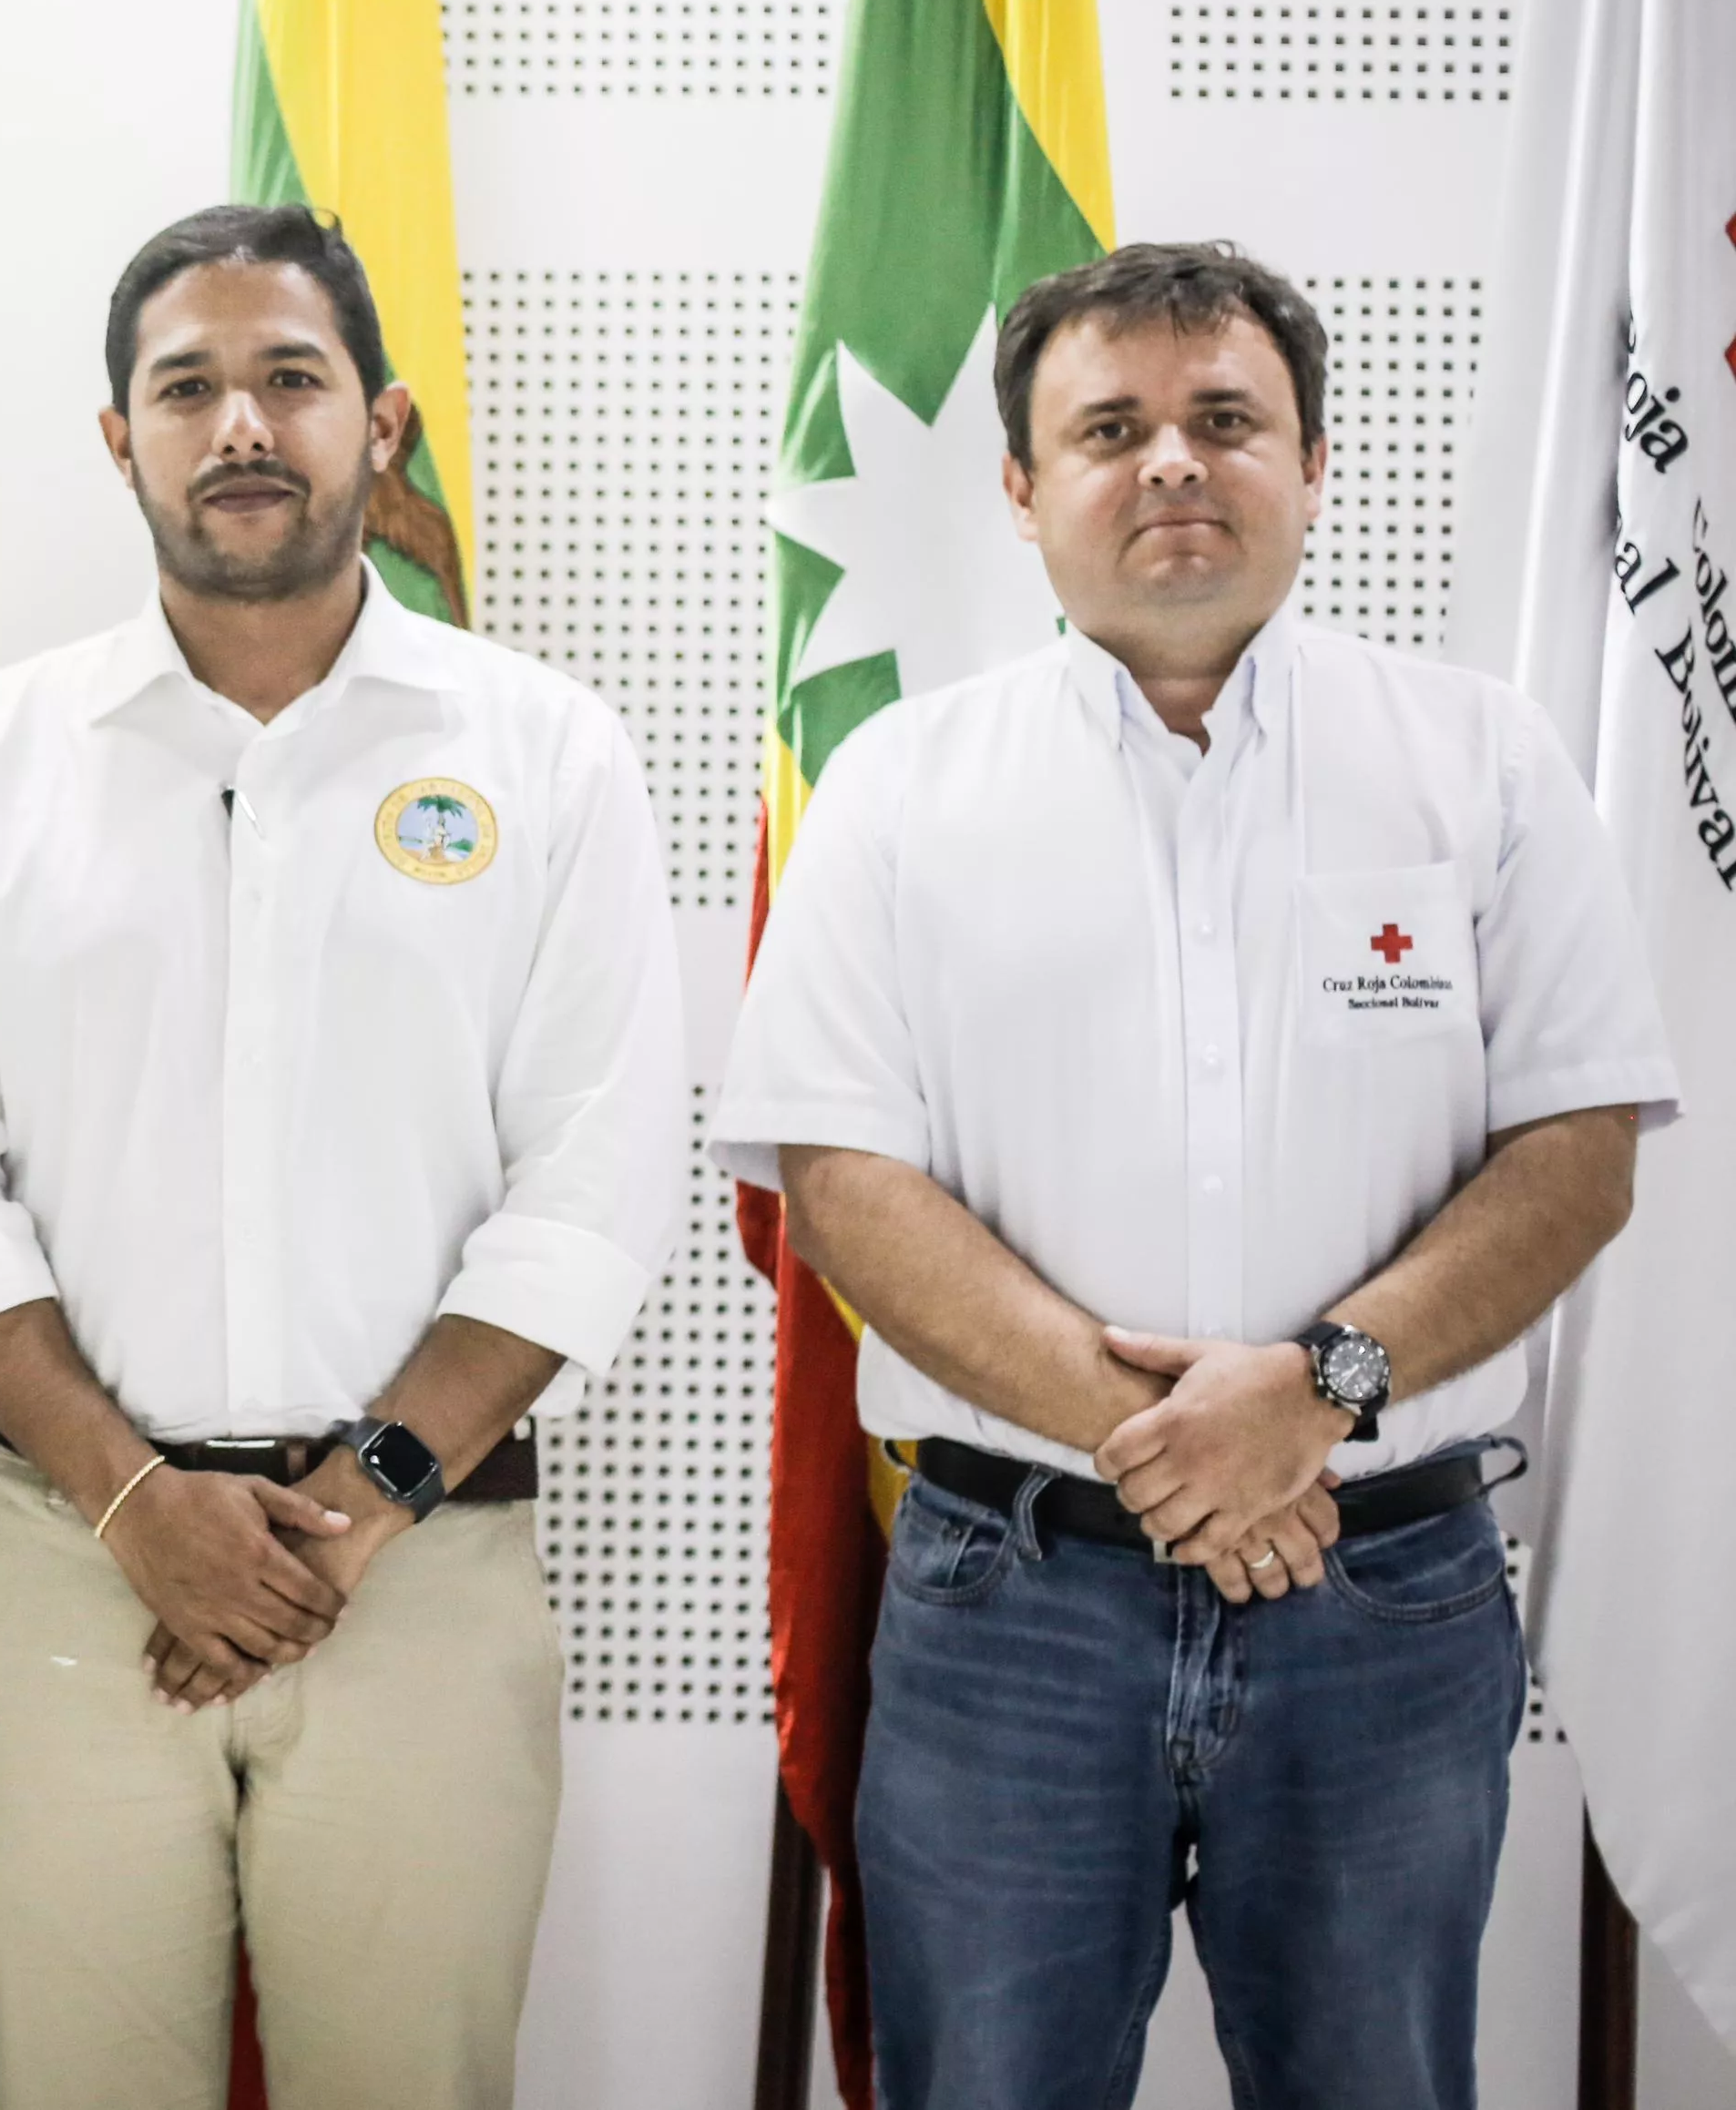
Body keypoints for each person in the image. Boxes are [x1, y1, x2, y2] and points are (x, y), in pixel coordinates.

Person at [713, 242, 1680, 2110]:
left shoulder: (1477, 764)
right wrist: (1186, 1457)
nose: (1171, 463)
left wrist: (1310, 1398)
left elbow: (1572, 1155)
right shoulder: (898, 790)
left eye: (1224, 420)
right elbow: (842, 1184)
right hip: (1011, 1605)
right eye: (1109, 428)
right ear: (1020, 487)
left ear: (1311, 465)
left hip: (1382, 1602)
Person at [0, 204, 686, 2107]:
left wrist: (356, 1502)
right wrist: (138, 1501)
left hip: (421, 1568)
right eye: (188, 385)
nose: (241, 422)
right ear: (115, 437)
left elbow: (593, 1181)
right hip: (66, 1559)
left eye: (289, 378)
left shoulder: (547, 753)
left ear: (376, 426)